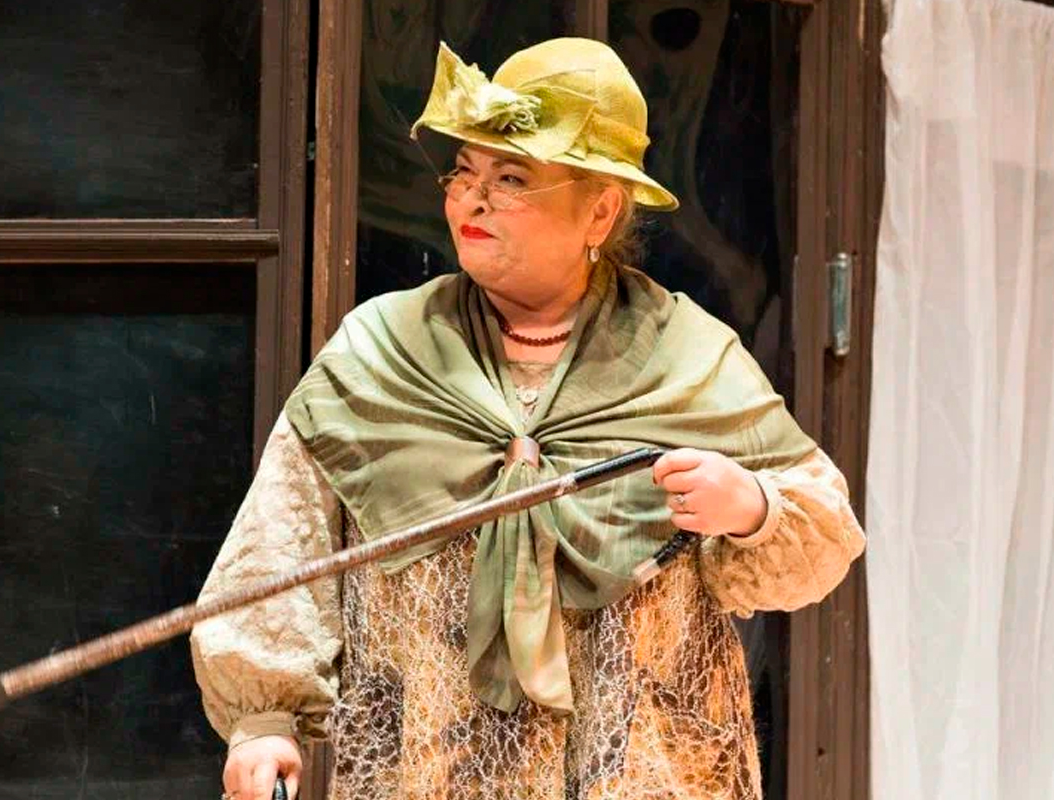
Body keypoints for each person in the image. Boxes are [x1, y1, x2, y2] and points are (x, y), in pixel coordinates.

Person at [190, 38, 865, 800]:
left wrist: (753, 507)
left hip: (641, 776)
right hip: (425, 777)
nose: (470, 201)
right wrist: (264, 720)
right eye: (463, 173)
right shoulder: (381, 351)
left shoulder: (687, 358)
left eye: (510, 179)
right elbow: (282, 543)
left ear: (601, 209)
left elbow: (824, 532)